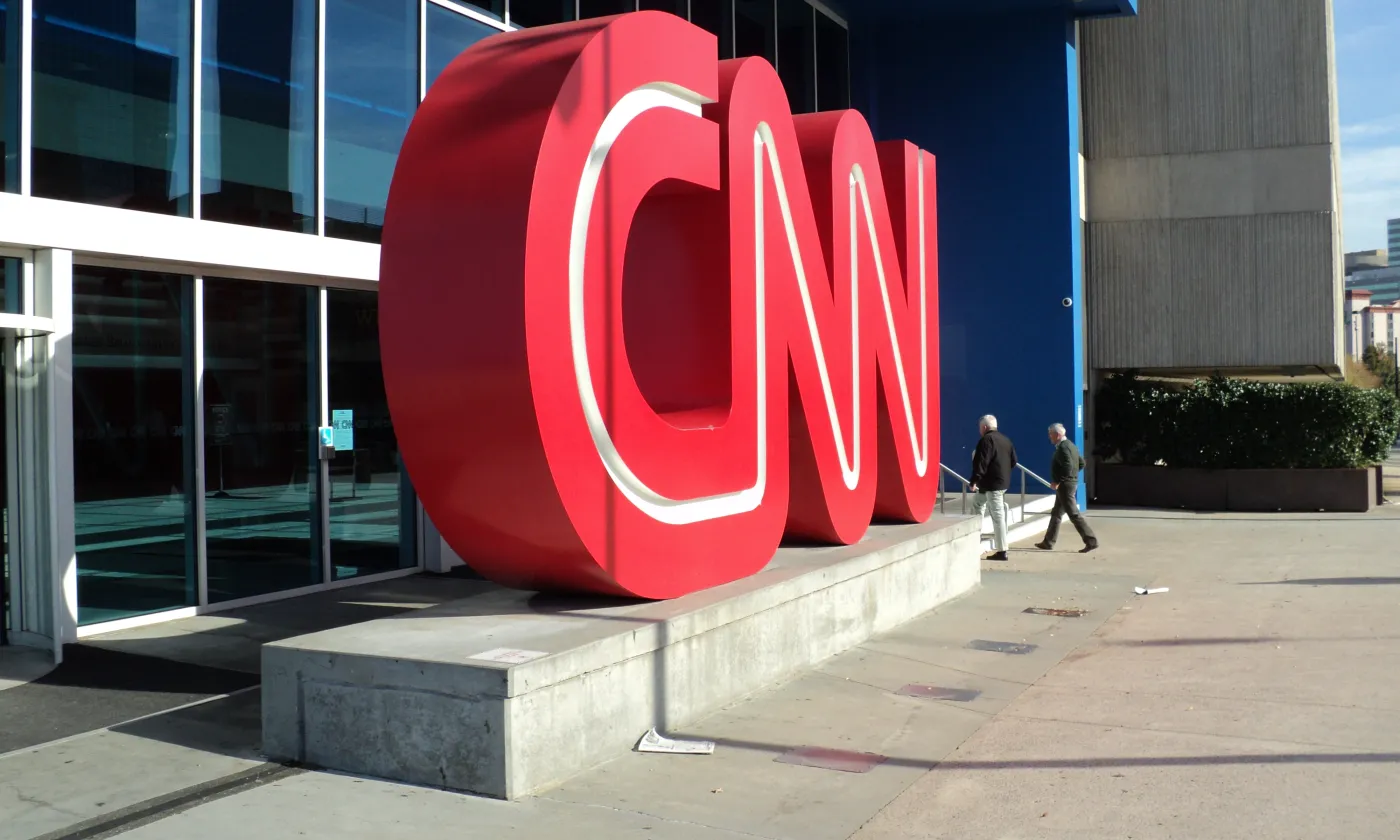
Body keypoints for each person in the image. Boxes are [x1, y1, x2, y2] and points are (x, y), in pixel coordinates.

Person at [1035, 423, 1099, 553]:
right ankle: (1048, 542)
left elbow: (1069, 466)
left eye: (1050, 434)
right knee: (1056, 513)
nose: (1049, 437)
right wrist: (1072, 477)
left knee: (1073, 514)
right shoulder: (1070, 445)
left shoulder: (1064, 448)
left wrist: (1059, 480)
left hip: (1065, 485)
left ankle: (1091, 541)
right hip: (1068, 484)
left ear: (1057, 435)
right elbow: (1081, 463)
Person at [969, 414, 1016, 561]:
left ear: (984, 427)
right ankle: (973, 538)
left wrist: (974, 480)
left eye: (980, 428)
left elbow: (981, 462)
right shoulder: (1005, 440)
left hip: (992, 485)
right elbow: (1014, 460)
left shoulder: (986, 440)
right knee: (977, 503)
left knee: (998, 516)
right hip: (999, 483)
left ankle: (1002, 550)